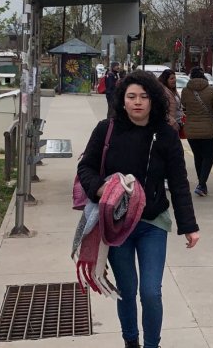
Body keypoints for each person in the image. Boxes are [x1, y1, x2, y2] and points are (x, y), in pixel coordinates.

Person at [77, 70, 200, 348]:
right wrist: (100, 189)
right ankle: (130, 341)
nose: (137, 102)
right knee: (128, 290)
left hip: (152, 224)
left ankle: (152, 345)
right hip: (117, 225)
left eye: (144, 96)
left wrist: (189, 225)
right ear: (122, 100)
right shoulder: (105, 130)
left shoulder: (166, 135)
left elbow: (179, 182)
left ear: (153, 100)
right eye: (131, 96)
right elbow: (85, 166)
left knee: (150, 292)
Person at [180, 67, 213, 197]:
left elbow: (184, 105)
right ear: (203, 77)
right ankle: (201, 184)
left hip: (191, 130)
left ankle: (202, 185)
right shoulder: (211, 91)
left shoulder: (185, 91)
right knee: (208, 157)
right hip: (208, 130)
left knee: (198, 156)